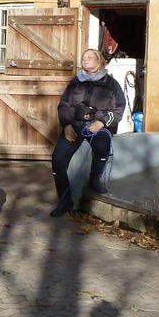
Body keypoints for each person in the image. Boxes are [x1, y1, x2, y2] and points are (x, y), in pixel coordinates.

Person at [50, 48, 126, 217]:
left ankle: (94, 178)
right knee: (58, 160)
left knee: (102, 147)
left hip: (98, 125)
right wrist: (67, 125)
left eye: (90, 57)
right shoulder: (76, 81)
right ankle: (64, 201)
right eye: (84, 57)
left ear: (99, 61)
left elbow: (120, 107)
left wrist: (102, 122)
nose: (86, 59)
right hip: (75, 126)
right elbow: (64, 104)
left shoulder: (111, 83)